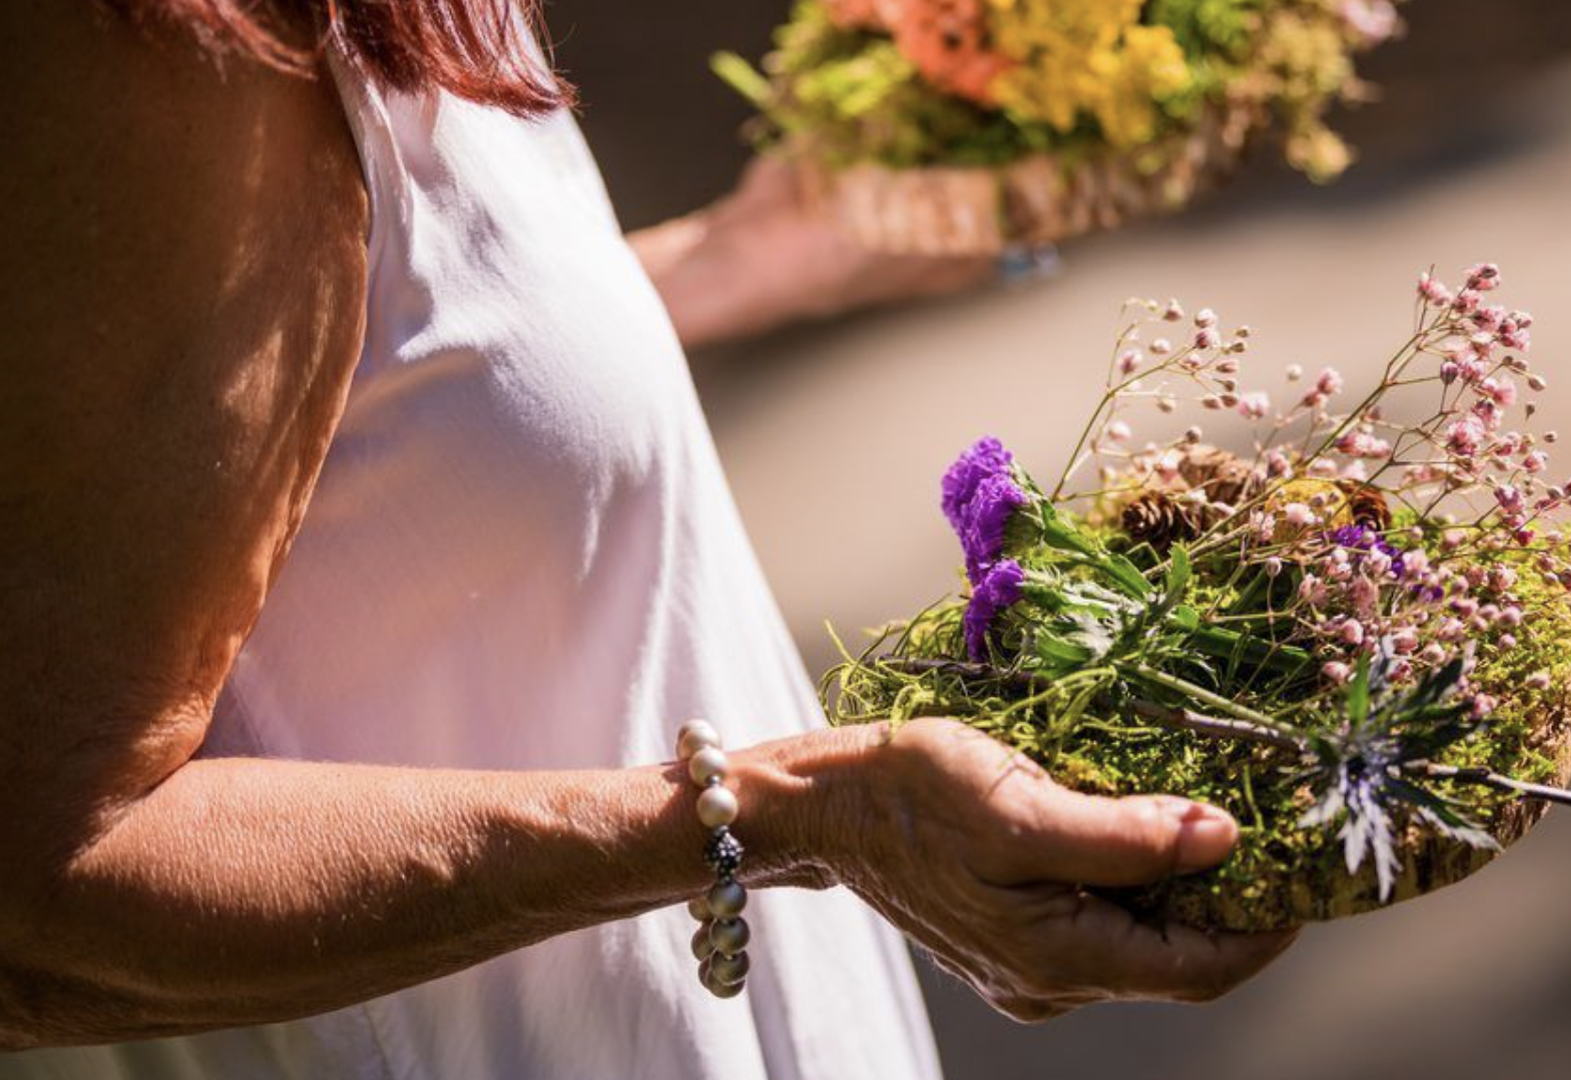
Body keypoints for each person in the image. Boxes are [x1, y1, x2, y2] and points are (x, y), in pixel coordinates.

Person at [0, 0, 1297, 1075]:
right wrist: (790, 817)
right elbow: (44, 888)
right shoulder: (156, 52)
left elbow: (353, 408)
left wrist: (740, 260)